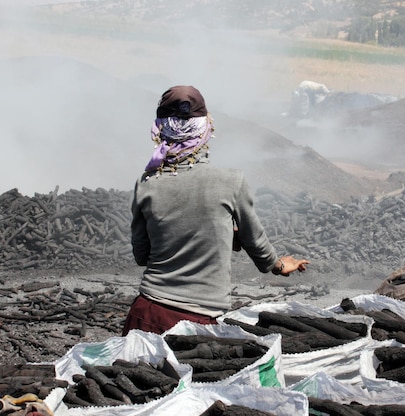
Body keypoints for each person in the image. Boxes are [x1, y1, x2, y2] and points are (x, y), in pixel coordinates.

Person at [122, 85, 309, 336]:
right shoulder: (231, 181)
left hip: (146, 315)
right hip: (198, 323)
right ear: (206, 129)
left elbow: (142, 255)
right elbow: (254, 240)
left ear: (161, 130)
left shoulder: (147, 183)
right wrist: (276, 265)